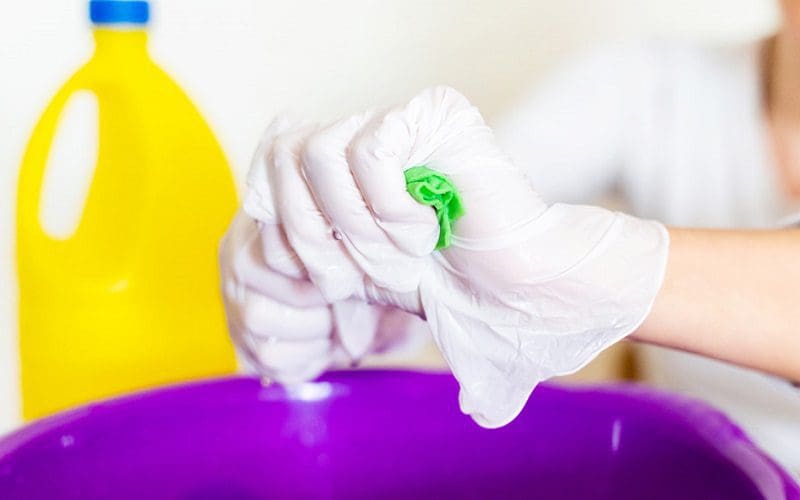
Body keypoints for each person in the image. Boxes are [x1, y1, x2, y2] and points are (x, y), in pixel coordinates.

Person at [220, 86, 799, 445]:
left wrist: (587, 272)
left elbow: (525, 255)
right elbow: (475, 203)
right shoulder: (653, 89)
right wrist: (343, 258)